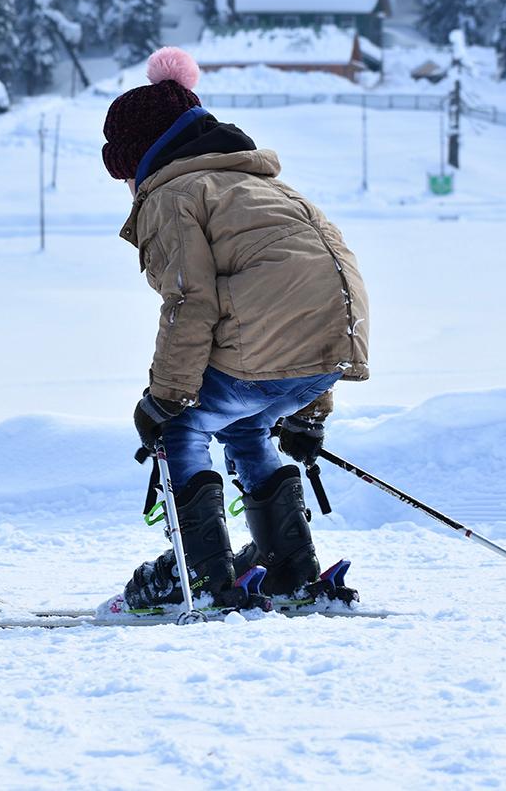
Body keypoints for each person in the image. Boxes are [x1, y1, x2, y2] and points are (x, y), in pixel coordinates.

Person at [102, 47, 370, 610]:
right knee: (247, 429)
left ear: (141, 157)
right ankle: (290, 570)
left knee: (181, 430)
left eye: (125, 171)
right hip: (329, 354)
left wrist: (165, 399)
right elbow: (318, 294)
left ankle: (202, 578)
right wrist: (309, 409)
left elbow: (188, 303)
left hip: (267, 356)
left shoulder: (174, 195)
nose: (127, 185)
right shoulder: (272, 188)